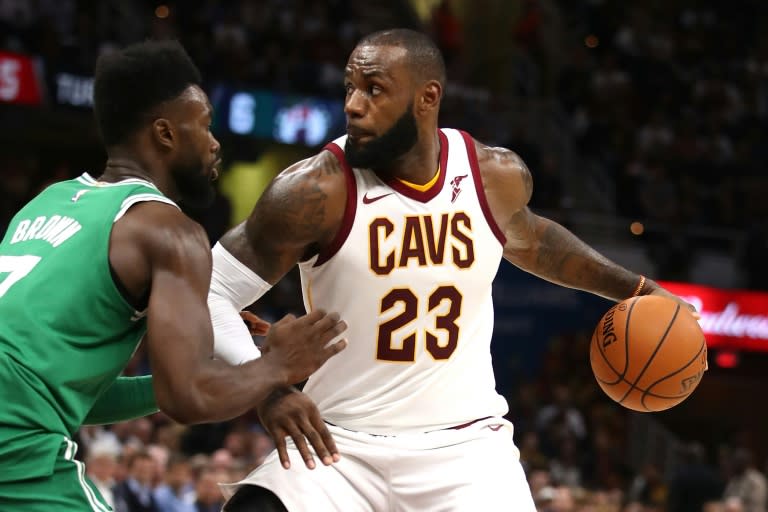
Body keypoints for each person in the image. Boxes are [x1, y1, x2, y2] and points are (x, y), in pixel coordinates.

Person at [207, 29, 698, 511]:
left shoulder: (491, 175)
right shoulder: (317, 189)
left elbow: (533, 240)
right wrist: (267, 389)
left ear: (428, 97)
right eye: (350, 88)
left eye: (374, 89)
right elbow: (210, 290)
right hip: (340, 444)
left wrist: (637, 288)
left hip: (466, 453)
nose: (354, 105)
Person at [0, 40, 347, 511]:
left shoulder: (46, 202)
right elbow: (188, 399)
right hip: (15, 436)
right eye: (204, 124)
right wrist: (276, 365)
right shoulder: (168, 230)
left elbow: (78, 396)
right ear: (165, 133)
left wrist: (214, 371)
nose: (214, 141)